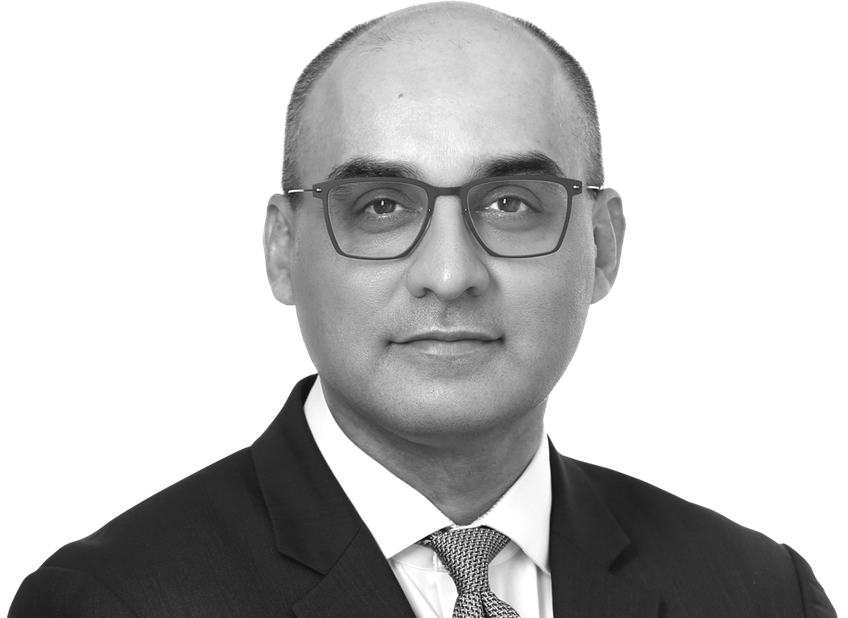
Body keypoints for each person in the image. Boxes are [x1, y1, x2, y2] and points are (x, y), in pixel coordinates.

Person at [10, 2, 835, 617]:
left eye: (511, 203)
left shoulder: (764, 593)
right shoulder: (111, 601)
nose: (448, 274)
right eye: (381, 206)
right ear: (281, 250)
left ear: (604, 246)